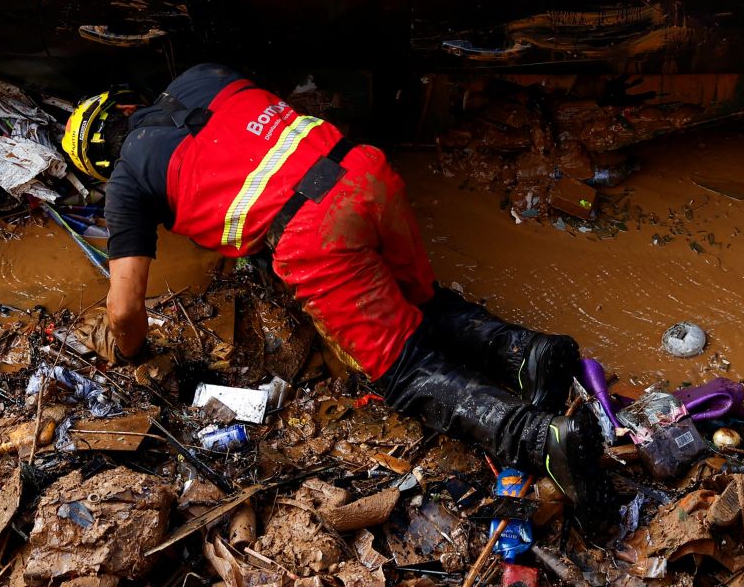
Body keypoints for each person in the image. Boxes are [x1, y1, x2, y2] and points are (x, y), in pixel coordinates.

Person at [64, 63, 604, 517]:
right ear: (127, 108)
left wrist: (134, 355)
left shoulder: (127, 182)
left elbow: (124, 310)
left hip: (315, 232)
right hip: (361, 170)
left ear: (101, 163)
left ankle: (541, 440)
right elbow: (242, 151)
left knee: (403, 370)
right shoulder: (202, 75)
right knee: (418, 301)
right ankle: (530, 355)